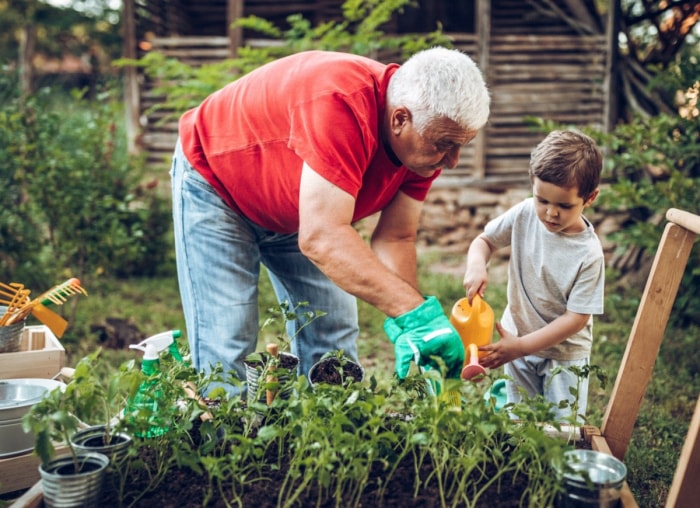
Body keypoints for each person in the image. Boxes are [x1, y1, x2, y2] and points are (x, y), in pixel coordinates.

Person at [170, 47, 491, 395]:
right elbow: (322, 236)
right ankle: (221, 444)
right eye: (446, 144)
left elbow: (395, 238)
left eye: (463, 145)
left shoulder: (422, 151)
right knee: (229, 340)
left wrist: (410, 323)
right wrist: (416, 314)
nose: (454, 161)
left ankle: (324, 441)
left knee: (333, 338)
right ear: (400, 119)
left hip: (304, 211)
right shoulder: (341, 103)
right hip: (217, 188)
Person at [462, 130, 604, 421]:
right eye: (542, 200)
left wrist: (520, 347)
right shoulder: (525, 213)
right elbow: (484, 241)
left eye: (564, 206)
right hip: (516, 338)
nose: (551, 213)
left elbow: (576, 318)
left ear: (590, 198)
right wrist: (477, 264)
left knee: (561, 431)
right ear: (533, 187)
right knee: (520, 422)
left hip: (565, 355)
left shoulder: (589, 255)